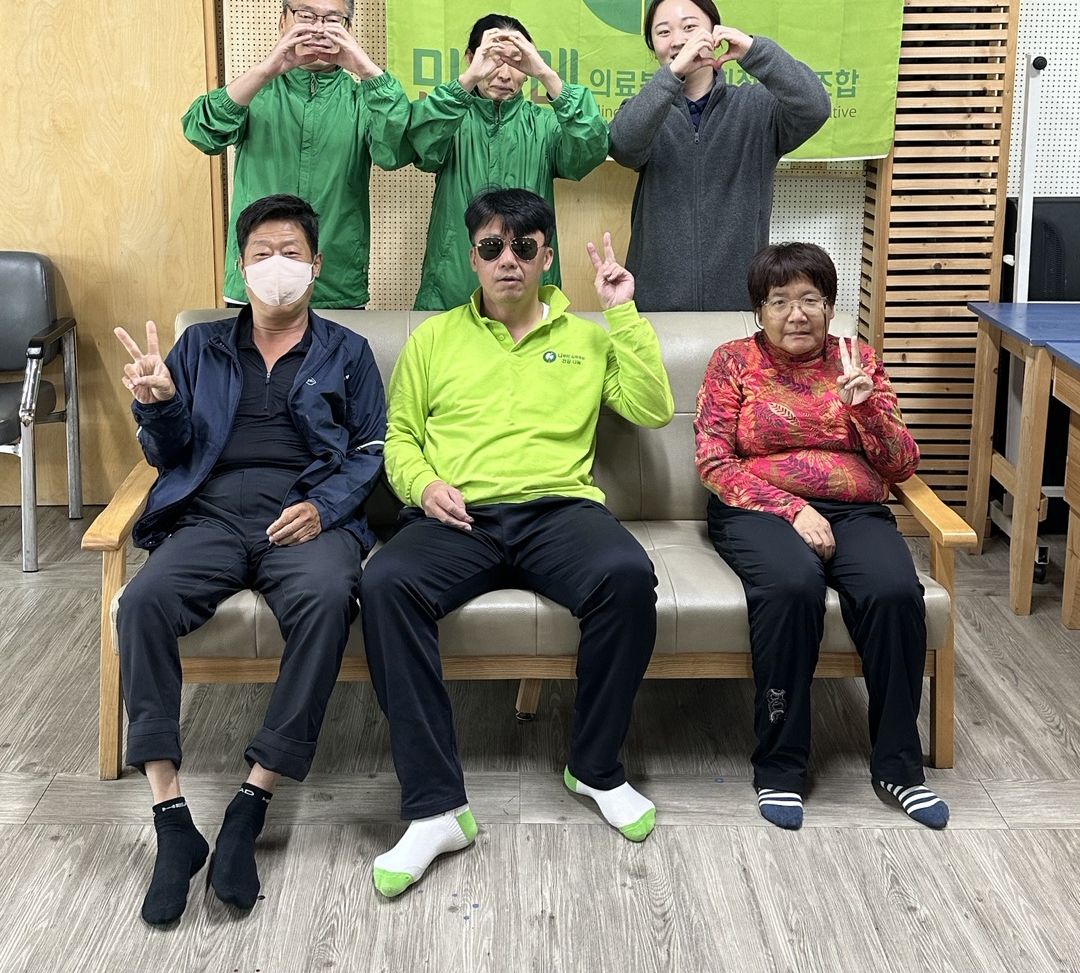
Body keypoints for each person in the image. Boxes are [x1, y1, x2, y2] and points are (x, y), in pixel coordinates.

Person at [361, 188, 674, 896]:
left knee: (628, 576)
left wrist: (622, 312)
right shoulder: (433, 338)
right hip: (458, 515)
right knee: (384, 583)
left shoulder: (589, 337)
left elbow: (654, 408)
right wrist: (422, 486)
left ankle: (595, 768)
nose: (509, 260)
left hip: (558, 511)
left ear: (546, 256)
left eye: (524, 247)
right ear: (471, 257)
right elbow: (399, 437)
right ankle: (436, 807)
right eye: (492, 247)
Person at [113, 194, 386, 925]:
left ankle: (251, 802)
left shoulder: (347, 351)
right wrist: (157, 405)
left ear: (316, 265)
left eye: (290, 252)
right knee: (141, 603)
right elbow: (166, 455)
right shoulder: (200, 346)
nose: (277, 266)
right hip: (208, 515)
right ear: (241, 266)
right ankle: (172, 818)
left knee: (328, 599)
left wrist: (325, 508)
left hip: (304, 516)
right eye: (261, 254)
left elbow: (370, 451)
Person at [694, 241, 948, 831]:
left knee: (894, 593)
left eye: (810, 299)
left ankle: (900, 767)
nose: (796, 314)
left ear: (830, 307)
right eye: (779, 301)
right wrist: (792, 509)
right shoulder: (732, 361)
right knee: (792, 587)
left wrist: (868, 410)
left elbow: (902, 464)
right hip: (758, 508)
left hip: (855, 511)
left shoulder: (857, 360)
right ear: (759, 311)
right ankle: (780, 767)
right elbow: (713, 462)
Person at [182, 0, 410, 308]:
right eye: (306, 16)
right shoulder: (255, 90)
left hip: (334, 283)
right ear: (283, 22)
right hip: (256, 280)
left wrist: (366, 70)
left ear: (347, 31)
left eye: (332, 20)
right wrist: (267, 69)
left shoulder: (363, 98)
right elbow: (202, 133)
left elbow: (396, 151)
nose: (318, 28)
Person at [608, 0, 830, 311]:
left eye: (690, 27)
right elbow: (623, 146)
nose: (678, 40)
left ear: (715, 34)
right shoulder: (646, 111)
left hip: (740, 304)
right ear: (653, 47)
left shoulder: (756, 108)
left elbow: (815, 108)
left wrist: (755, 52)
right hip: (657, 304)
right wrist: (672, 75)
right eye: (663, 32)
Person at [407, 15, 609, 309]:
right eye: (494, 58)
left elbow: (592, 147)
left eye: (515, 62)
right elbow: (419, 143)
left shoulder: (545, 125)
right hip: (452, 290)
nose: (504, 74)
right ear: (471, 58)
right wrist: (467, 82)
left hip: (528, 292)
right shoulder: (451, 119)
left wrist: (546, 75)